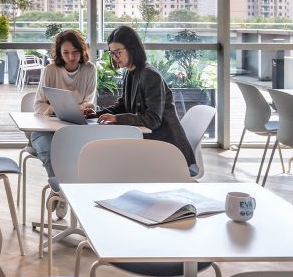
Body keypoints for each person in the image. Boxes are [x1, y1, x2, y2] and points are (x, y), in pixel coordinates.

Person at [95, 25, 197, 170]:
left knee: (112, 159)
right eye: (112, 53)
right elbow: (123, 105)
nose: (115, 57)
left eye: (118, 52)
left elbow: (153, 120)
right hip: (152, 144)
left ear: (132, 49)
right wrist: (96, 114)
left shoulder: (150, 75)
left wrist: (117, 118)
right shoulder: (129, 72)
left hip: (169, 150)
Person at [30, 29, 97, 177]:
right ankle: (59, 193)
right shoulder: (50, 70)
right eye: (65, 52)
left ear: (82, 50)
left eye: (75, 52)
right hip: (46, 130)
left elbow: (89, 103)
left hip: (75, 130)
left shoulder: (89, 69)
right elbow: (38, 105)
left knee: (85, 157)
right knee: (50, 154)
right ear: (59, 53)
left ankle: (63, 194)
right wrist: (56, 109)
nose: (71, 57)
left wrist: (78, 109)